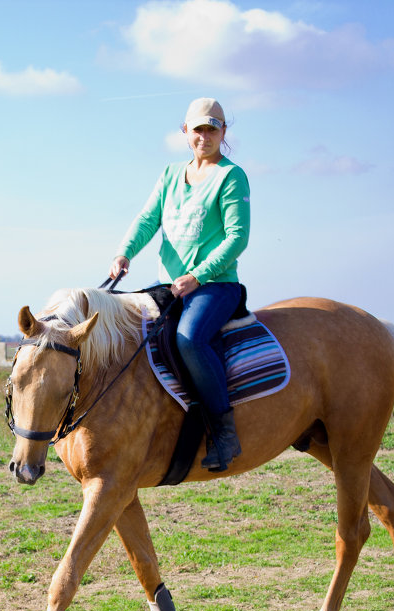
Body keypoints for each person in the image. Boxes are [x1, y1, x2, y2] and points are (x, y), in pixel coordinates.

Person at [110, 97, 250, 471]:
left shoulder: (231, 176)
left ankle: (223, 430)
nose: (204, 136)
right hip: (169, 285)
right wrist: (125, 253)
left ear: (223, 132)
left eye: (212, 128)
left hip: (215, 285)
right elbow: (147, 219)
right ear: (185, 132)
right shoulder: (171, 174)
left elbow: (237, 237)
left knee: (190, 338)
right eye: (198, 129)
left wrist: (198, 275)